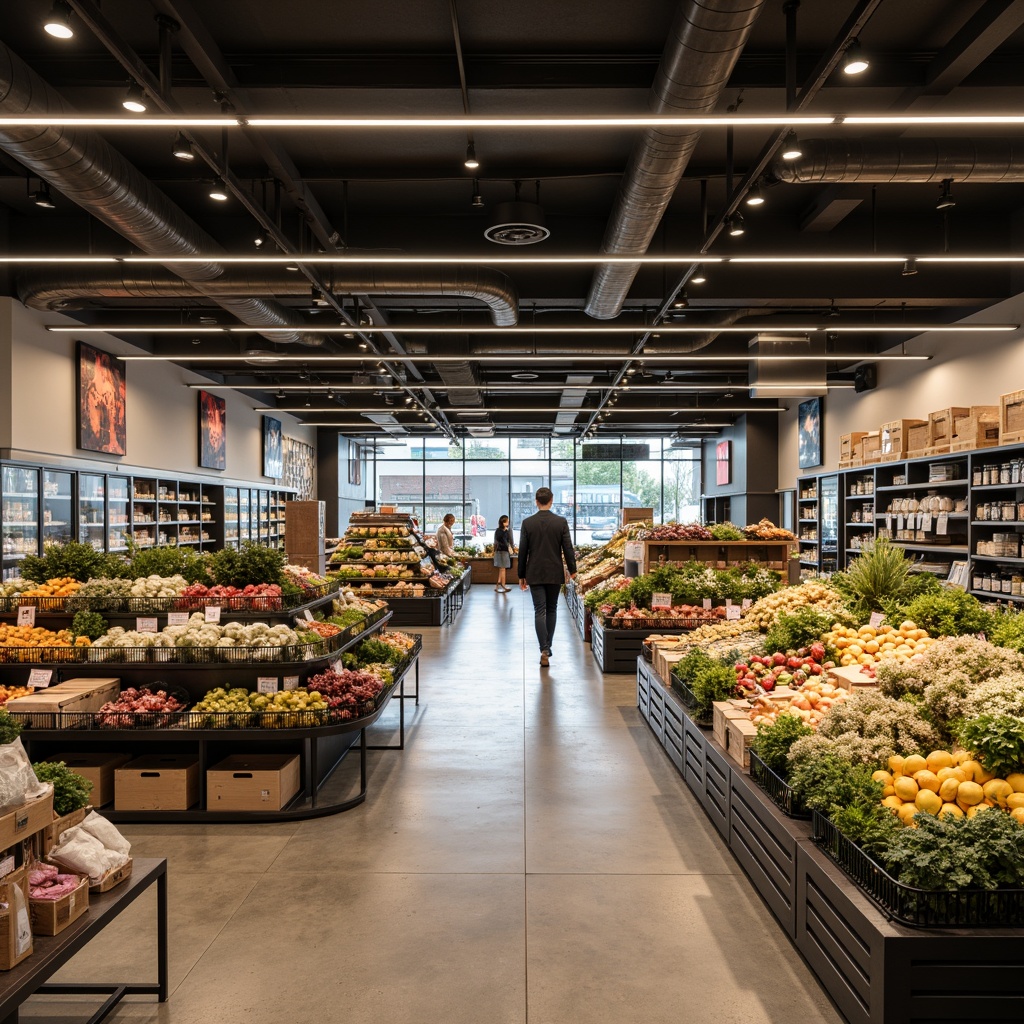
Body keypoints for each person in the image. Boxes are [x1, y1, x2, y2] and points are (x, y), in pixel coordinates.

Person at [518, 487, 577, 667]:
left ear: (536, 501)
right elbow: (568, 547)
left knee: (539, 610)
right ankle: (547, 647)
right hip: (554, 572)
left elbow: (523, 552)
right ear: (551, 500)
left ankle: (544, 647)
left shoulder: (528, 523)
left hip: (534, 572)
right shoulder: (560, 522)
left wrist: (521, 574)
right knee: (552, 610)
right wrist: (572, 570)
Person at [492, 515, 517, 593]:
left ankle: (498, 584)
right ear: (503, 522)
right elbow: (503, 541)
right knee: (503, 569)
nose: (508, 523)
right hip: (502, 551)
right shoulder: (501, 531)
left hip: (501, 551)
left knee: (501, 568)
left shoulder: (502, 531)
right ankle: (503, 585)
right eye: (507, 522)